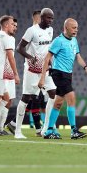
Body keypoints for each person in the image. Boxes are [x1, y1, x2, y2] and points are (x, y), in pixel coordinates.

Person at [38, 18, 87, 139]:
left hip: (68, 74)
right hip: (59, 73)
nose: (76, 30)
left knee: (58, 103)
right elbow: (47, 58)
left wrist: (85, 67)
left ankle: (49, 131)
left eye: (77, 28)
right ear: (66, 27)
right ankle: (74, 131)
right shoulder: (58, 41)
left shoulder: (74, 40)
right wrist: (42, 77)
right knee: (71, 98)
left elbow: (78, 56)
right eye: (73, 27)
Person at [14, 8, 57, 139]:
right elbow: (19, 48)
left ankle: (46, 128)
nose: (50, 21)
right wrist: (29, 57)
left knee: (53, 94)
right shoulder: (31, 30)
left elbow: (48, 49)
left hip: (45, 70)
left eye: (52, 18)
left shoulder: (51, 30)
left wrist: (51, 62)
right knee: (26, 98)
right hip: (31, 70)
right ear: (42, 18)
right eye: (48, 18)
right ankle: (17, 131)